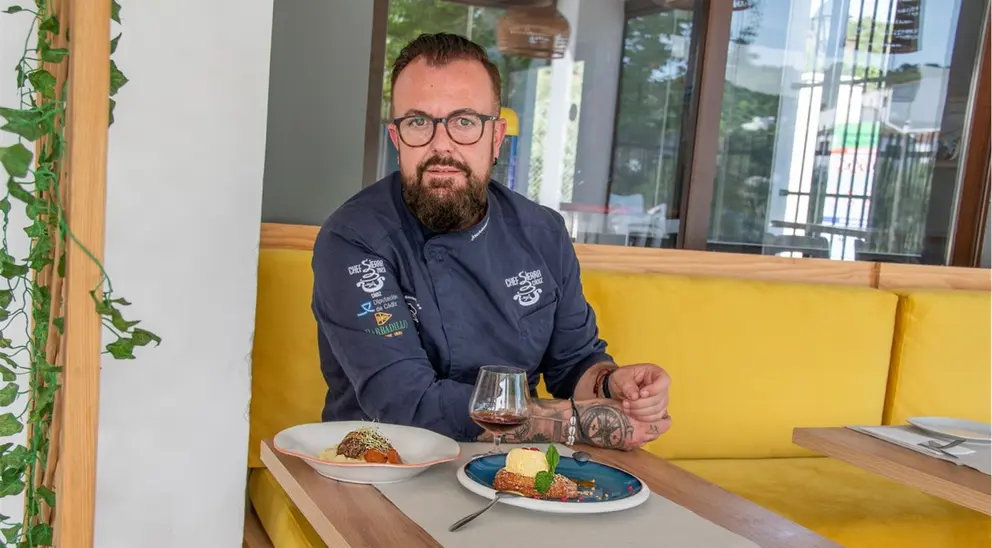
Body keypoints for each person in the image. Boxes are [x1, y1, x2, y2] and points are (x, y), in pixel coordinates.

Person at [311, 33, 671, 451]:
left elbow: (573, 362)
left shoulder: (543, 233)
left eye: (465, 122)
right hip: (385, 464)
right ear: (397, 140)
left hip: (513, 467)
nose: (440, 144)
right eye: (418, 123)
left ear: (496, 137)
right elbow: (404, 402)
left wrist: (614, 385)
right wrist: (576, 423)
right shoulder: (354, 239)